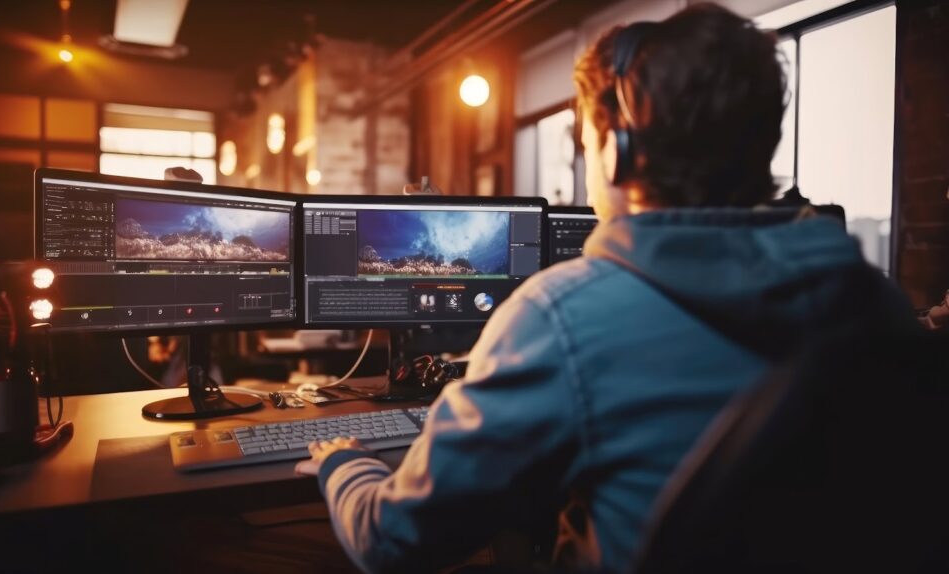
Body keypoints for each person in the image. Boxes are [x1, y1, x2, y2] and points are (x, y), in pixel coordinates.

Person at [294, 4, 917, 572]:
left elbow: (394, 541)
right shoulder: (874, 302)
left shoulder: (562, 317)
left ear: (616, 151)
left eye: (585, 141)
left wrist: (344, 463)